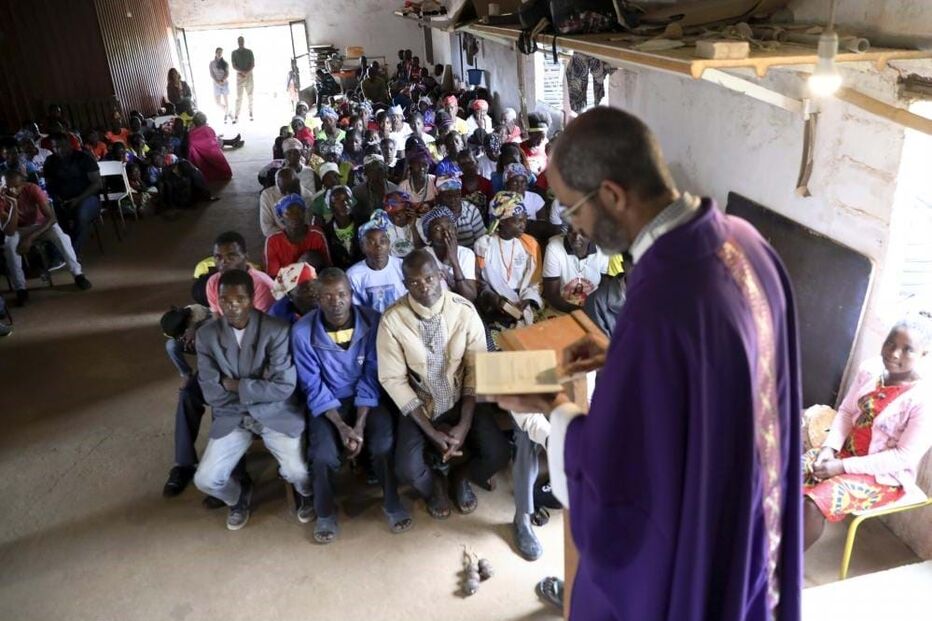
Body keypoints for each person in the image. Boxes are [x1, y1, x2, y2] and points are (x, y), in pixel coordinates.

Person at [493, 107, 802, 621]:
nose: (575, 226)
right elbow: (722, 371)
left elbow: (623, 481)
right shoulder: (745, 240)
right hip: (750, 497)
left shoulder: (663, 297)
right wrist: (621, 356)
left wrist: (553, 405)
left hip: (703, 526)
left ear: (612, 195)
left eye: (573, 210)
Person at [377, 250, 510, 518]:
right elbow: (393, 379)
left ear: (440, 276)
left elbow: (476, 367)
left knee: (499, 453)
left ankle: (462, 476)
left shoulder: (463, 310)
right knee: (407, 469)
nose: (423, 286)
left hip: (462, 398)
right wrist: (430, 431)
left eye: (428, 278)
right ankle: (434, 487)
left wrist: (464, 424)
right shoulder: (392, 320)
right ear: (405, 285)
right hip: (421, 403)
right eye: (414, 282)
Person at [293, 268, 412, 543]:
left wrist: (357, 425)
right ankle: (325, 513)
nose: (336, 301)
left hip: (366, 400)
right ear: (317, 300)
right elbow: (312, 385)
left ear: (352, 295)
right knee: (322, 455)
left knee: (383, 444)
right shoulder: (302, 332)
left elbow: (372, 374)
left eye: (342, 294)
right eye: (327, 296)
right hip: (327, 403)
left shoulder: (372, 322)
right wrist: (341, 426)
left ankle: (392, 503)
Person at [193, 269, 314, 530]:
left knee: (298, 472)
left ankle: (306, 494)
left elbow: (283, 386)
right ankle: (238, 496)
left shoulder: (276, 330)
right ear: (217, 299)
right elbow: (211, 392)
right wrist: (259, 385)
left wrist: (237, 385)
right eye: (225, 299)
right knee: (206, 479)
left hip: (275, 413)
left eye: (240, 299)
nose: (233, 306)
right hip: (233, 416)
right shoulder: (207, 336)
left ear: (252, 298)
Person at [803, 316, 932, 550]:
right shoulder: (870, 370)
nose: (894, 354)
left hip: (884, 477)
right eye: (891, 344)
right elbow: (845, 412)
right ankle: (760, 543)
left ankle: (779, 572)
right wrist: (828, 449)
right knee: (783, 472)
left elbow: (903, 457)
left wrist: (841, 467)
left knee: (813, 503)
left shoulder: (924, 399)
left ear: (924, 354)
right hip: (842, 455)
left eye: (907, 350)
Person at [1, 169, 92, 306]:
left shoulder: (33, 189)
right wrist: (13, 204)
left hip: (41, 225)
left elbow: (51, 218)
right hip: (18, 229)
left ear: (23, 183)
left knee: (62, 237)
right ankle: (21, 288)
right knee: (9, 245)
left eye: (17, 186)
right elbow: (9, 230)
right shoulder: (3, 198)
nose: (13, 189)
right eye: (9, 186)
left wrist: (30, 238)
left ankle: (78, 274)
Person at [474, 192, 542, 329]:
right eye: (518, 221)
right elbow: (479, 281)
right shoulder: (484, 246)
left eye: (525, 219)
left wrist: (527, 300)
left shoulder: (530, 244)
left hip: (524, 300)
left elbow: (536, 280)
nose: (523, 225)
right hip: (495, 303)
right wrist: (496, 300)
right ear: (503, 221)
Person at [42, 133, 102, 255]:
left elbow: (97, 184)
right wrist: (56, 198)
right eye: (55, 147)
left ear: (69, 145)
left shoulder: (83, 158)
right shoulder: (50, 161)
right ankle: (59, 250)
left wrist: (78, 199)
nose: (59, 150)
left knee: (81, 215)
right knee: (51, 216)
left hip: (87, 198)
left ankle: (73, 253)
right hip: (62, 200)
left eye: (62, 146)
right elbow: (49, 185)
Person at [346, 211, 407, 313]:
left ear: (389, 243)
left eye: (383, 241)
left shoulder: (402, 267)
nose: (378, 247)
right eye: (371, 243)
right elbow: (355, 311)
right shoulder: (353, 275)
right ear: (362, 247)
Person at [205, 231, 275, 315]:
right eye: (218, 257)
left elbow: (261, 324)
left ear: (245, 256)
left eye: (231, 257)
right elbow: (217, 317)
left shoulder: (261, 284)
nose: (223, 262)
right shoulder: (212, 282)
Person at [542, 226, 610, 313]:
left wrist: (594, 310)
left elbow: (604, 288)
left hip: (593, 306)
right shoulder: (554, 248)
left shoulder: (602, 250)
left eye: (583, 232)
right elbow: (552, 295)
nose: (576, 238)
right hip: (562, 307)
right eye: (571, 231)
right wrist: (581, 312)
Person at [264, 194, 331, 278]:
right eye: (288, 213)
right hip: (285, 287)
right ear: (281, 218)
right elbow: (273, 277)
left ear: (304, 213)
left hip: (315, 283)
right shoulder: (273, 241)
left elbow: (327, 267)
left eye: (299, 212)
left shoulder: (316, 235)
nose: (295, 217)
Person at [421, 206, 478, 302]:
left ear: (456, 231)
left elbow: (470, 297)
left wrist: (454, 261)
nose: (445, 232)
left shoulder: (466, 254)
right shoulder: (423, 257)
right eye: (438, 228)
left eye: (449, 227)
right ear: (428, 236)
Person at [429, 162, 485, 249]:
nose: (453, 199)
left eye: (456, 195)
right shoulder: (433, 216)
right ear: (439, 198)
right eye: (447, 196)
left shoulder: (472, 211)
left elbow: (481, 242)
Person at [259, 167, 314, 237]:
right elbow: (267, 228)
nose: (288, 193)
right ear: (277, 185)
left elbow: (307, 226)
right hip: (278, 239)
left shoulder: (307, 196)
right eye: (284, 191)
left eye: (291, 188)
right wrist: (287, 238)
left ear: (298, 183)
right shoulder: (267, 195)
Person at [322, 186, 364, 270]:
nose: (345, 203)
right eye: (338, 200)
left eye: (347, 198)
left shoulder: (363, 224)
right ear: (331, 205)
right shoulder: (326, 232)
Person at [187, 112, 233, 183]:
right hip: (215, 158)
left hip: (200, 162)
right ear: (205, 121)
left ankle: (232, 142)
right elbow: (216, 144)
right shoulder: (209, 129)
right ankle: (232, 142)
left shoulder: (191, 133)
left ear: (194, 122)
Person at [352, 154, 399, 224]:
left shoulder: (395, 190)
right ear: (366, 173)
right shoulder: (357, 192)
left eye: (380, 170)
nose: (376, 174)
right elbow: (355, 218)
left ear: (385, 171)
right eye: (372, 170)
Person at [456, 149, 493, 223]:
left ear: (476, 162)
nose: (468, 167)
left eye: (470, 162)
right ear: (459, 167)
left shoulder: (487, 184)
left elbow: (492, 208)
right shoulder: (456, 185)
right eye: (463, 164)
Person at [398, 147, 436, 214]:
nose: (422, 168)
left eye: (425, 164)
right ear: (411, 165)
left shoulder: (435, 181)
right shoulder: (403, 186)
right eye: (418, 164)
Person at [382, 191, 418, 259]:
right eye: (396, 213)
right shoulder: (380, 227)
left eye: (405, 210)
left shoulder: (416, 222)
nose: (401, 215)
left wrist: (413, 227)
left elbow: (420, 249)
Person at [231, 36, 255, 123]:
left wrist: (246, 72)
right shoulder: (234, 53)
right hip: (239, 76)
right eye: (239, 41)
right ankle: (236, 115)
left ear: (244, 41)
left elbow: (252, 64)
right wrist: (242, 72)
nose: (240, 42)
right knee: (239, 97)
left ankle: (251, 112)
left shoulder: (249, 52)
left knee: (250, 95)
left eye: (241, 41)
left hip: (249, 75)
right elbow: (233, 65)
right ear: (237, 42)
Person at [209, 47, 231, 123]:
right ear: (215, 53)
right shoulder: (212, 63)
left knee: (226, 101)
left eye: (221, 52)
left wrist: (222, 80)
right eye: (218, 52)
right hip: (216, 83)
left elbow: (227, 73)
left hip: (224, 83)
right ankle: (227, 112)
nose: (219, 54)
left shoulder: (225, 63)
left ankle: (226, 115)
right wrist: (217, 81)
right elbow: (211, 74)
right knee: (217, 102)